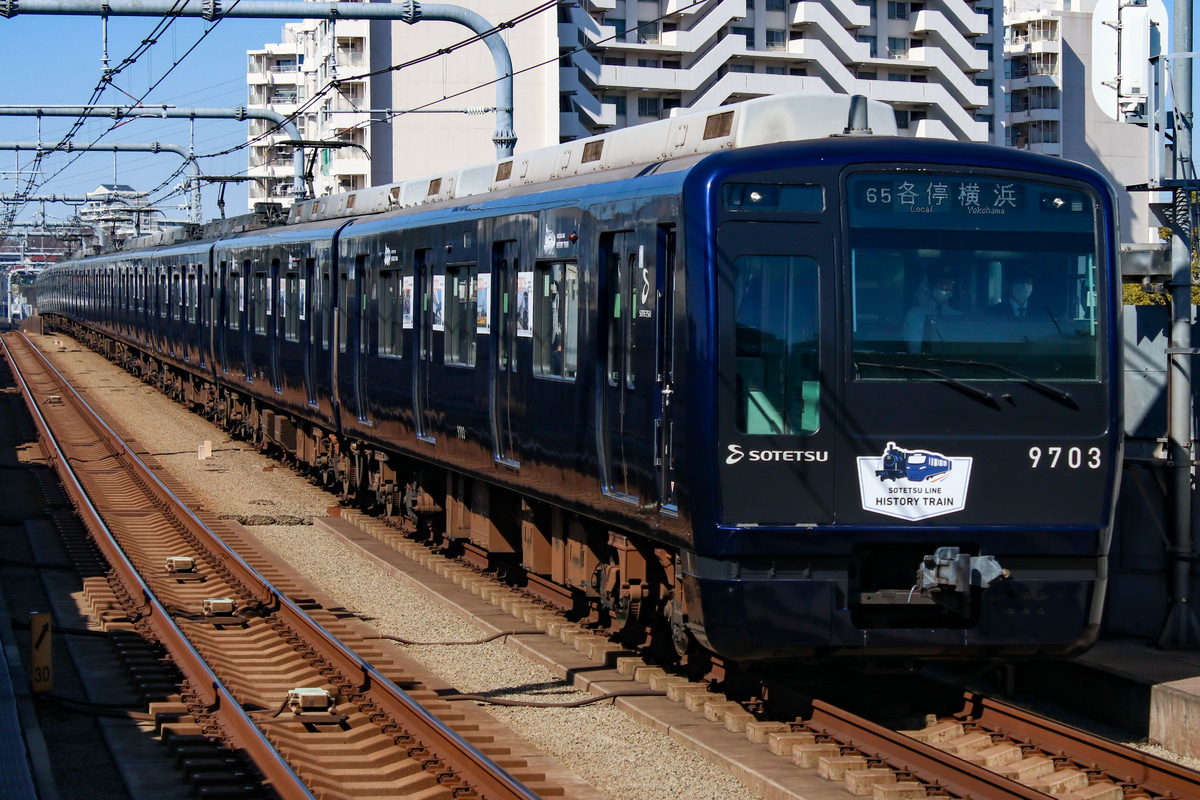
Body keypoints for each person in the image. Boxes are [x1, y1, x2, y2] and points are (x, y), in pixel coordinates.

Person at [904, 265, 963, 353]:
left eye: (948, 283)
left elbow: (961, 347)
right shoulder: (915, 314)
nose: (944, 287)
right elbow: (914, 346)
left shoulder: (959, 317)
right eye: (940, 282)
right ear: (931, 285)